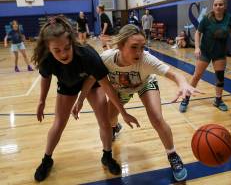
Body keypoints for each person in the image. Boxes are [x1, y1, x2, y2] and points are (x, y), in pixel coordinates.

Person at [73, 24, 200, 182]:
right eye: (134, 47)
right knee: (108, 122)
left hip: (145, 84)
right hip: (120, 90)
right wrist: (80, 99)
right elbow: (91, 78)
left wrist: (183, 83)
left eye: (142, 47)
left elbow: (173, 74)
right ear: (120, 45)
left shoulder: (146, 59)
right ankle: (115, 126)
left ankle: (172, 155)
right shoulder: (106, 59)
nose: (139, 52)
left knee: (157, 118)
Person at [31, 16, 139, 182]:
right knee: (59, 124)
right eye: (57, 50)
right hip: (67, 85)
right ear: (48, 48)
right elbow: (45, 78)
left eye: (67, 48)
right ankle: (46, 159)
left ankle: (107, 155)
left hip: (91, 82)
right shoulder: (47, 59)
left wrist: (123, 112)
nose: (63, 54)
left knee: (104, 121)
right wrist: (41, 101)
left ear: (72, 42)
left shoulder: (88, 55)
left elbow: (107, 87)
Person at [179, 0, 231, 113]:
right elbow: (198, 33)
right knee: (196, 76)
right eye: (216, 4)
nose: (218, 6)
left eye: (220, 4)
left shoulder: (229, 18)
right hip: (205, 52)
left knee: (220, 78)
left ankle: (218, 100)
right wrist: (197, 47)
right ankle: (185, 99)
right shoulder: (207, 18)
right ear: (213, 6)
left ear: (225, 6)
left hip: (220, 53)